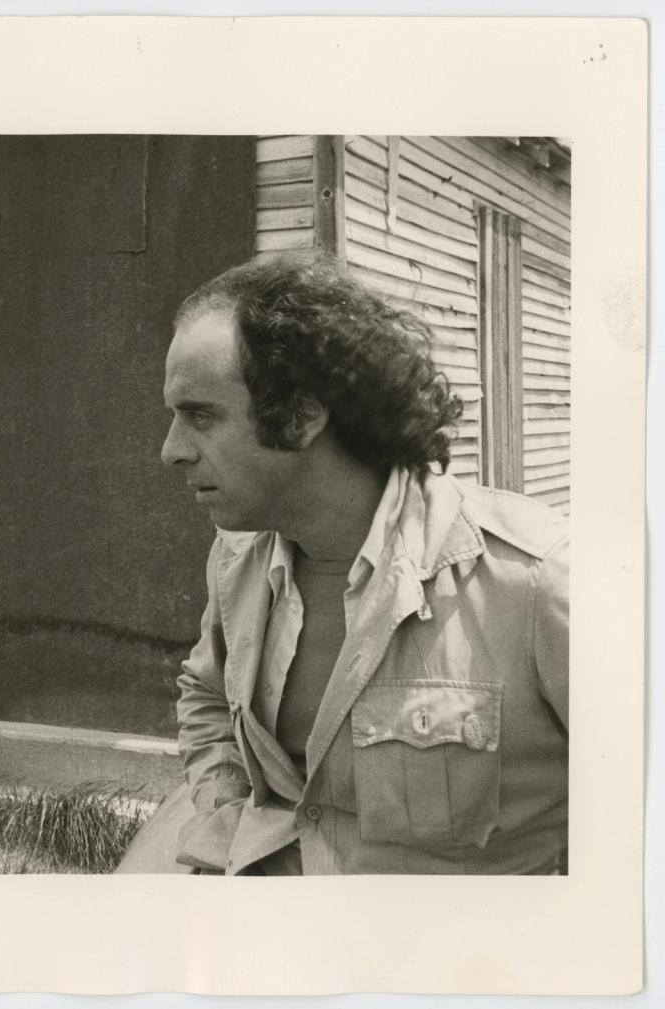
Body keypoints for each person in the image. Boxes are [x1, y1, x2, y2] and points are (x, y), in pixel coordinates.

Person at [125, 253, 568, 875]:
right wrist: (227, 814)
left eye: (201, 416)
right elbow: (204, 691)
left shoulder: (538, 579)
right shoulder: (239, 555)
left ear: (303, 416)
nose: (171, 450)